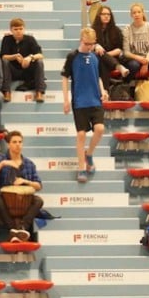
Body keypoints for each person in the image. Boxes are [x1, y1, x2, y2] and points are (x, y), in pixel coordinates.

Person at [61, 27, 108, 183]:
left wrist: (103, 91)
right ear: (81, 40)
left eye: (92, 44)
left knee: (100, 129)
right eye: (87, 43)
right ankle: (81, 168)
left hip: (95, 100)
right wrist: (66, 100)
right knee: (81, 134)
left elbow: (99, 76)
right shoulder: (72, 57)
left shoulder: (95, 57)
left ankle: (89, 154)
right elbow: (64, 78)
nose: (89, 46)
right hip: (80, 101)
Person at [0, 131, 43, 242]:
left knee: (38, 201)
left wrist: (25, 181)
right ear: (8, 144)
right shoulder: (1, 159)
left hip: (23, 199)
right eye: (14, 142)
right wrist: (2, 164)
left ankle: (20, 228)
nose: (18, 144)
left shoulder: (29, 163)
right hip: (4, 199)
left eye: (20, 142)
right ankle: (16, 230)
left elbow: (38, 185)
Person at [122, 2, 149, 99]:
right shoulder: (127, 29)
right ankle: (123, 89)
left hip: (148, 58)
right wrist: (139, 58)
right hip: (134, 59)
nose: (136, 14)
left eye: (139, 12)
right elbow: (126, 52)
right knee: (133, 66)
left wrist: (146, 62)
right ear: (131, 15)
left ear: (143, 13)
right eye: (134, 13)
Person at [0, 18, 47, 103]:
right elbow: (3, 56)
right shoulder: (6, 39)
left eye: (21, 29)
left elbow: (40, 55)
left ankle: (39, 92)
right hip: (12, 71)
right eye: (16, 29)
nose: (18, 31)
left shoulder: (30, 39)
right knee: (5, 62)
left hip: (27, 71)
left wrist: (29, 58)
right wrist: (15, 56)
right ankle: (6, 92)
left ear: (24, 29)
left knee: (39, 62)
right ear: (11, 30)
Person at [91, 5, 130, 90]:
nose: (106, 16)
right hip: (96, 59)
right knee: (101, 60)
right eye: (104, 14)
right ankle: (119, 68)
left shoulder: (116, 30)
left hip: (111, 59)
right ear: (99, 15)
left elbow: (119, 49)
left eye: (108, 14)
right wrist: (96, 45)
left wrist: (105, 55)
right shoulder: (93, 30)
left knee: (103, 62)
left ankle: (105, 92)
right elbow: (89, 46)